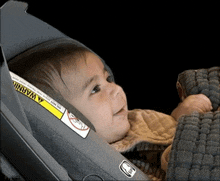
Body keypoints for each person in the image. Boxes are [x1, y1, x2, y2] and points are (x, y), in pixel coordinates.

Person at [8, 40, 213, 180]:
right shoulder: (101, 163)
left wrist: (180, 117)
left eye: (107, 79)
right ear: (69, 119)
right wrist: (183, 142)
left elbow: (162, 130)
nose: (115, 89)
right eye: (95, 89)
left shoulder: (135, 117)